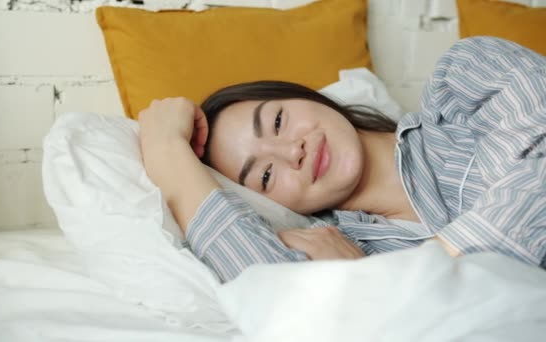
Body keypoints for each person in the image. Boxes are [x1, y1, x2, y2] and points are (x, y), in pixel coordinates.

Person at [139, 36, 546, 283]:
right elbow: (285, 305)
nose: (291, 152)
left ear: (302, 95)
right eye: (265, 175)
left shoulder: (462, 81)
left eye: (278, 121)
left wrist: (400, 284)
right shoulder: (340, 251)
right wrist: (169, 157)